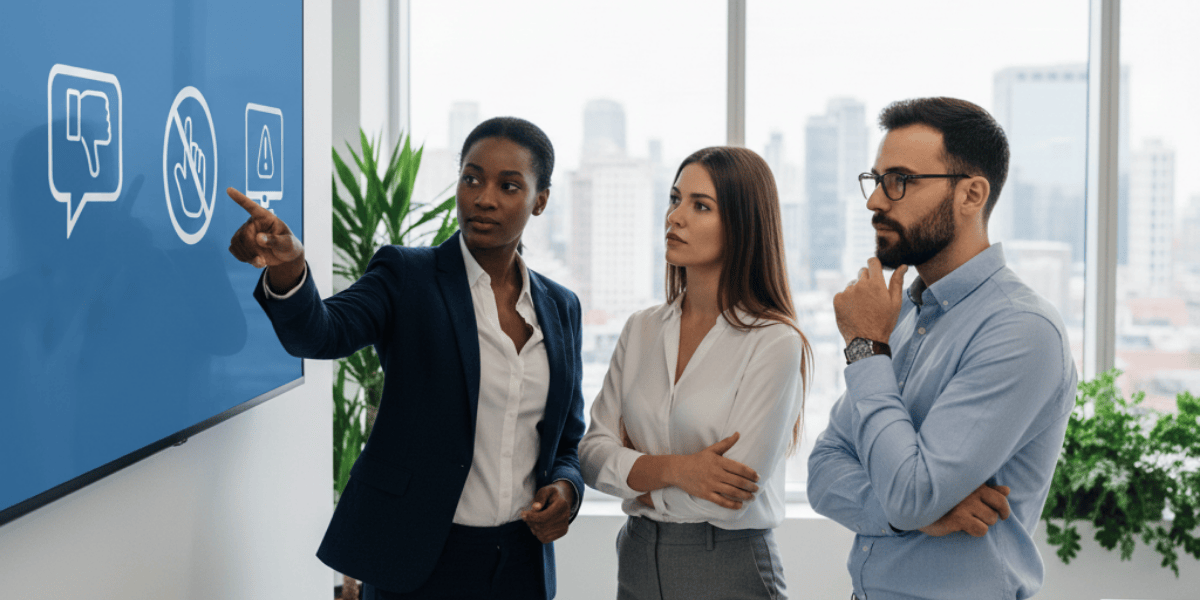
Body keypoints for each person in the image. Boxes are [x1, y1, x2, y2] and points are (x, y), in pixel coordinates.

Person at [226, 116, 586, 600]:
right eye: (472, 177)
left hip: (519, 564)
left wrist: (566, 489)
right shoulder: (407, 276)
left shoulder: (561, 308)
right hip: (418, 561)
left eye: (509, 185)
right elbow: (320, 335)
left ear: (539, 200)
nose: (483, 197)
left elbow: (567, 439)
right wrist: (291, 267)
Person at [807, 97, 1078, 600]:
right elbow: (824, 470)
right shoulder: (904, 315)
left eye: (900, 181)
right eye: (876, 179)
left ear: (972, 194)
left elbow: (912, 494)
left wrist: (865, 347)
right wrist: (915, 516)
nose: (875, 202)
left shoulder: (1021, 329)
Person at [580, 146, 812, 600]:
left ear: (743, 225)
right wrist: (680, 470)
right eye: (674, 198)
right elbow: (590, 455)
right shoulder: (640, 329)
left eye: (700, 205)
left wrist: (638, 484)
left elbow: (727, 500)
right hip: (638, 559)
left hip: (728, 565)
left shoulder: (774, 342)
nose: (675, 217)